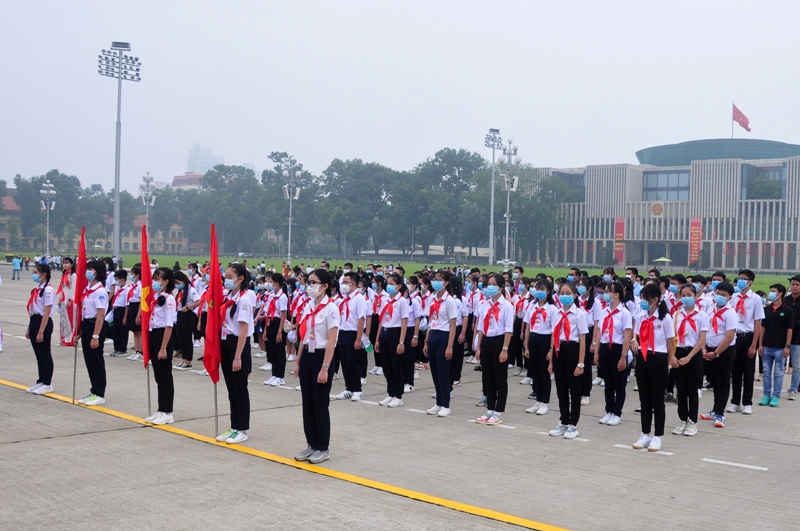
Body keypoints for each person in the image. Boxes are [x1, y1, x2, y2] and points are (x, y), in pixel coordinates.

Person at [293, 268, 340, 464]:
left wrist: (325, 367)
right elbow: (304, 337)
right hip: (307, 357)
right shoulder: (309, 306)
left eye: (313, 282)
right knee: (307, 403)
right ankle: (311, 444)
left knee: (320, 404)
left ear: (325, 286)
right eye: (308, 282)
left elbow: (331, 341)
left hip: (322, 357)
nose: (309, 286)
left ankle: (323, 447)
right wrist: (297, 361)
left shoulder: (331, 309)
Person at [629, 284, 676, 452]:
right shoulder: (641, 315)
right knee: (644, 399)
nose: (642, 302)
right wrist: (634, 340)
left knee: (658, 400)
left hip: (659, 358)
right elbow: (635, 333)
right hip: (643, 357)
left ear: (655, 299)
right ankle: (645, 434)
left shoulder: (665, 318)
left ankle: (658, 437)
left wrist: (669, 363)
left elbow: (670, 343)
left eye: (644, 299)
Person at [215, 263, 255, 445]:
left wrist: (238, 356)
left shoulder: (244, 299)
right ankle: (233, 426)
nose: (226, 279)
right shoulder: (227, 296)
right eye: (226, 276)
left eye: (230, 277)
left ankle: (242, 429)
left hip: (238, 344)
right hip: (225, 342)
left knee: (240, 389)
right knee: (231, 389)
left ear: (240, 279)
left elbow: (244, 330)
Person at [547, 283, 588, 439]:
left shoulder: (579, 314)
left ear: (574, 295)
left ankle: (573, 424)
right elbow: (554, 336)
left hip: (573, 349)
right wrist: (551, 359)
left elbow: (583, 340)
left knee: (574, 390)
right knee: (561, 389)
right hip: (559, 350)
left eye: (568, 293)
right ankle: (563, 420)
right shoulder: (556, 313)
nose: (564, 295)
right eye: (562, 293)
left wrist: (581, 363)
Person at [474, 273, 514, 426]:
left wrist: (504, 349)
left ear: (501, 287)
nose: (489, 287)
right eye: (488, 284)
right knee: (488, 377)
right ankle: (490, 409)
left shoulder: (507, 306)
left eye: (493, 284)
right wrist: (479, 347)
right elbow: (481, 327)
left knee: (500, 379)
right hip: (486, 342)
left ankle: (498, 411)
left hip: (499, 342)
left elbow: (508, 329)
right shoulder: (485, 304)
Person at [672, 284, 709, 437]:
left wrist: (689, 356)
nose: (686, 298)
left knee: (692, 390)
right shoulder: (676, 315)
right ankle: (682, 420)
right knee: (680, 390)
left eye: (689, 295)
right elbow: (671, 337)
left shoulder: (702, 315)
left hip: (693, 354)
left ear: (695, 296)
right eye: (683, 295)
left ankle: (692, 421)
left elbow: (702, 340)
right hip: (678, 353)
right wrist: (672, 356)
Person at [700, 282, 738, 428]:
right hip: (709, 349)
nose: (720, 297)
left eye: (724, 295)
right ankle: (715, 409)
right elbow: (705, 330)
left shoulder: (730, 313)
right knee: (714, 381)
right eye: (718, 293)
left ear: (729, 297)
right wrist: (704, 348)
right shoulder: (711, 310)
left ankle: (720, 413)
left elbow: (729, 336)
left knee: (722, 382)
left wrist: (716, 353)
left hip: (723, 351)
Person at [594, 281, 633, 426]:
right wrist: (597, 352)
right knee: (608, 383)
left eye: (608, 291)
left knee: (619, 384)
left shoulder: (625, 313)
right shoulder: (604, 312)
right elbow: (599, 333)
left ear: (616, 294)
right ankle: (608, 411)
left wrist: (623, 357)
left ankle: (617, 413)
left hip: (618, 349)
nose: (605, 294)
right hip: (605, 348)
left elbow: (627, 336)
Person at [727, 269, 764, 415]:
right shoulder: (734, 297)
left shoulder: (755, 299)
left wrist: (754, 344)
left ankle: (747, 402)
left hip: (748, 337)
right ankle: (735, 401)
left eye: (744, 278)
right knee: (735, 371)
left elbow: (757, 323)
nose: (740, 280)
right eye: (739, 277)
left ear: (750, 282)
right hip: (734, 336)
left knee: (748, 371)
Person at [144, 268, 177, 425]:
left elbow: (169, 325)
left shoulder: (169, 299)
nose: (154, 282)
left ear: (166, 282)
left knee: (165, 376)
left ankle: (167, 411)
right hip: (153, 335)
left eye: (158, 279)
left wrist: (163, 348)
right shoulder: (155, 297)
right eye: (154, 278)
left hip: (163, 337)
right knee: (158, 376)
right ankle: (160, 409)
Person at [424, 271, 458, 417]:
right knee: (435, 372)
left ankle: (446, 404)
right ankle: (438, 402)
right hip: (433, 335)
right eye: (434, 279)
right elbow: (430, 322)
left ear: (446, 282)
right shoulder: (431, 299)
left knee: (443, 372)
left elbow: (452, 325)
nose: (436, 282)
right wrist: (426, 341)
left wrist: (450, 346)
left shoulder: (450, 301)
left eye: (439, 279)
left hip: (444, 336)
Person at [375, 273, 410, 408]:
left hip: (396, 333)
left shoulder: (402, 302)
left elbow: (404, 322)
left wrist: (401, 342)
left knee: (396, 366)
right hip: (384, 332)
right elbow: (381, 320)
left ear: (399, 286)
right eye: (387, 283)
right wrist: (378, 338)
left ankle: (398, 395)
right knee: (386, 365)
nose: (389, 286)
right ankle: (390, 393)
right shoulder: (385, 300)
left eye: (392, 284)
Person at [78, 260, 109, 406]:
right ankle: (94, 390)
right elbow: (85, 312)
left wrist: (95, 336)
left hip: (95, 326)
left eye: (91, 269)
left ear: (98, 271)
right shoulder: (87, 288)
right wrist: (80, 331)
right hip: (87, 325)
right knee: (89, 360)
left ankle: (100, 393)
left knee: (96, 360)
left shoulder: (100, 291)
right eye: (87, 268)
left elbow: (100, 315)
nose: (88, 271)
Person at [757, 284, 793, 407]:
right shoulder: (766, 309)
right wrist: (760, 344)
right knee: (766, 371)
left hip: (780, 347)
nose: (771, 293)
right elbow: (763, 327)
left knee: (778, 372)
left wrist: (787, 346)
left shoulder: (787, 310)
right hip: (767, 346)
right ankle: (766, 394)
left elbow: (789, 329)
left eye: (773, 291)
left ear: (780, 294)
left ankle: (776, 395)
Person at [524, 279, 556, 415]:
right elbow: (527, 327)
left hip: (545, 339)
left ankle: (545, 403)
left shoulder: (552, 309)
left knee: (544, 374)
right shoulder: (532, 306)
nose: (539, 292)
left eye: (542, 289)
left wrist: (551, 349)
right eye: (537, 289)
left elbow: (554, 331)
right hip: (533, 338)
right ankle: (538, 400)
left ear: (548, 291)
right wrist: (526, 345)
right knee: (535, 372)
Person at [334, 271, 367, 401]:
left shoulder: (359, 299)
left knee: (353, 362)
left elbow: (361, 319)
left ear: (353, 284)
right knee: (345, 362)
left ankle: (357, 390)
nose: (343, 285)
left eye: (345, 283)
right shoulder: (344, 300)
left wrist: (358, 339)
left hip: (353, 333)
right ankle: (348, 388)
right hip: (343, 333)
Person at [25, 263, 56, 395]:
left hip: (43, 322)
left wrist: (41, 331)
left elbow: (46, 312)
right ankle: (41, 380)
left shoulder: (48, 291)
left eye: (36, 272)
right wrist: (29, 328)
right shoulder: (36, 289)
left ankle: (47, 383)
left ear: (43, 274)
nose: (34, 275)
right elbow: (33, 310)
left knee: (45, 354)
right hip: (34, 321)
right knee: (39, 355)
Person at [263, 273, 289, 386]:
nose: (269, 284)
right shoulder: (271, 295)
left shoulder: (282, 297)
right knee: (272, 350)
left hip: (278, 323)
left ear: (276, 283)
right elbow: (268, 312)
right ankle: (274, 374)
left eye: (271, 281)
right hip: (270, 322)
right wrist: (265, 329)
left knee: (279, 351)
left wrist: (279, 331)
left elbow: (283, 314)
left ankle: (280, 376)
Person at [173, 271, 200, 370]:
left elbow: (198, 301)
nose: (177, 284)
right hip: (179, 315)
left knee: (187, 339)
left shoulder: (191, 290)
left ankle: (188, 360)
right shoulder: (181, 291)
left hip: (187, 315)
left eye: (177, 282)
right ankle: (184, 359)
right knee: (181, 338)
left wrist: (188, 307)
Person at [107, 269, 131, 356]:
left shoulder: (127, 289)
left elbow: (127, 304)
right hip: (116, 309)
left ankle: (122, 349)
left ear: (123, 279)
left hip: (123, 310)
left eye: (117, 280)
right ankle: (116, 347)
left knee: (122, 331)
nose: (116, 281)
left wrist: (125, 316)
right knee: (115, 330)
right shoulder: (118, 288)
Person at [56, 257, 77, 347]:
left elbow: (73, 288)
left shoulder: (73, 275)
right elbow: (62, 288)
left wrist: (70, 299)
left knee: (70, 319)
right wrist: (60, 298)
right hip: (64, 298)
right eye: (64, 263)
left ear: (71, 264)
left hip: (70, 299)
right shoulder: (64, 275)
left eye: (67, 263)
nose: (65, 264)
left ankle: (71, 339)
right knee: (64, 319)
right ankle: (64, 339)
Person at [785, 275, 800, 400]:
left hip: (797, 338)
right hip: (783, 338)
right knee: (779, 365)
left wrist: (791, 323)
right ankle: (776, 390)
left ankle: (794, 389)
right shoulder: (785, 300)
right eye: (793, 284)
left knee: (796, 366)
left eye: (797, 284)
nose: (794, 286)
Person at [126, 266, 144, 361]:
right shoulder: (134, 285)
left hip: (137, 307)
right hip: (132, 306)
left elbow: (141, 301)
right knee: (134, 331)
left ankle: (141, 351)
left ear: (137, 275)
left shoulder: (141, 286)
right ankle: (136, 350)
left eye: (133, 274)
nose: (131, 276)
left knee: (139, 331)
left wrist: (138, 315)